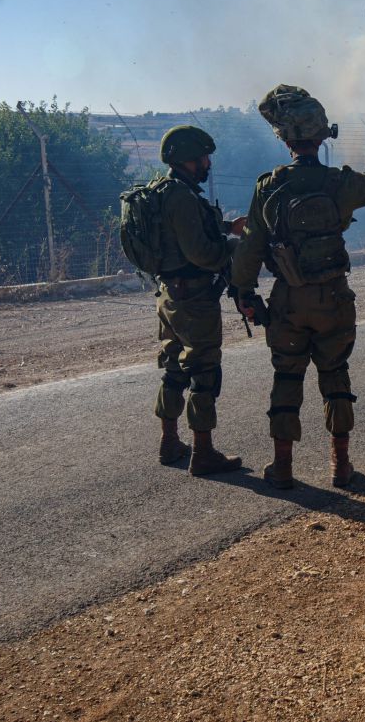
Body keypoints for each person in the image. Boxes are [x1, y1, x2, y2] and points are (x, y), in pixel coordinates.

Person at [230, 85, 365, 489]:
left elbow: (250, 248)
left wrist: (244, 293)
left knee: (286, 378)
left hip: (288, 301)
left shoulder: (268, 187)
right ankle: (340, 466)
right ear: (322, 136)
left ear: (285, 139)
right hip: (333, 299)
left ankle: (283, 468)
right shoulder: (339, 184)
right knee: (336, 375)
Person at [152, 125, 245, 476]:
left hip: (168, 295)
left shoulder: (162, 191)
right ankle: (203, 453)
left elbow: (181, 233)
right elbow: (202, 253)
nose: (208, 163)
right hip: (194, 298)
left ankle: (169, 442)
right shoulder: (182, 196)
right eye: (203, 157)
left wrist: (225, 227)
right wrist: (234, 247)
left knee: (173, 368)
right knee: (204, 372)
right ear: (187, 160)